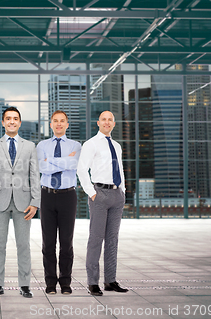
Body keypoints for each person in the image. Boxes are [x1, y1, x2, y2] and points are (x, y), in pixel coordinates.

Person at [0, 107, 41, 299]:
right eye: (8, 118)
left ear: (19, 122)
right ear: (3, 122)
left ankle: (24, 285)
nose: (11, 121)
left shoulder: (30, 146)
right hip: (0, 200)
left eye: (15, 119)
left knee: (23, 245)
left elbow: (34, 176)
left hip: (23, 202)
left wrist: (35, 202)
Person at [77, 110, 128, 296]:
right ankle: (93, 282)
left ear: (114, 123)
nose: (107, 122)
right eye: (104, 119)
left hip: (116, 195)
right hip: (99, 194)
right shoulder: (91, 144)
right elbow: (81, 170)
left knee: (112, 240)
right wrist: (92, 193)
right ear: (98, 123)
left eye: (110, 120)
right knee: (96, 239)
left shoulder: (117, 145)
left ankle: (110, 281)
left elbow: (119, 169)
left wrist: (123, 190)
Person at [36, 110, 81, 295]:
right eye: (55, 121)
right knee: (48, 243)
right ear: (51, 124)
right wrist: (64, 160)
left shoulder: (76, 145)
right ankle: (50, 283)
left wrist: (51, 161)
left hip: (67, 196)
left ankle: (65, 282)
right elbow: (42, 167)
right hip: (47, 195)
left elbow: (73, 165)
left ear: (67, 124)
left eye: (62, 121)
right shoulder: (41, 145)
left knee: (66, 242)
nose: (59, 124)